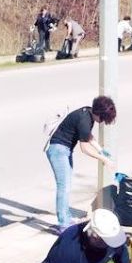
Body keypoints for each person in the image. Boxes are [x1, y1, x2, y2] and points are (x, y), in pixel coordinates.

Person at [46, 97, 117, 233]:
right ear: (99, 113)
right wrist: (103, 159)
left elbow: (87, 135)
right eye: (103, 118)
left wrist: (100, 149)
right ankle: (63, 224)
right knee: (64, 186)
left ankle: (66, 218)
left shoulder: (87, 113)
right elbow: (84, 148)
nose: (102, 122)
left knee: (66, 185)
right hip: (58, 151)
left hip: (64, 150)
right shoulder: (85, 120)